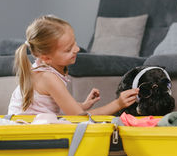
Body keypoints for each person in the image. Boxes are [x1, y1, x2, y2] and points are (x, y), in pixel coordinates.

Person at [8, 15, 139, 115]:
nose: (76, 49)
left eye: (75, 43)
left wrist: (83, 105)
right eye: (68, 49)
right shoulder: (48, 77)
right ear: (46, 57)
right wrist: (118, 104)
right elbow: (79, 118)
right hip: (28, 134)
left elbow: (54, 105)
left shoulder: (44, 68)